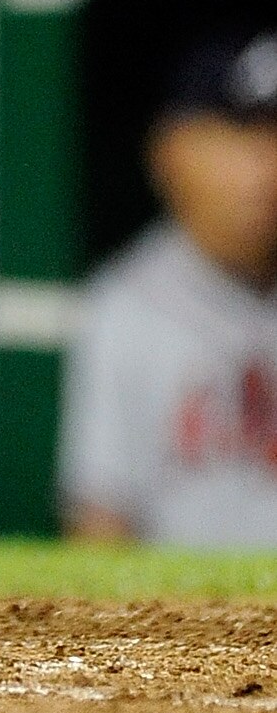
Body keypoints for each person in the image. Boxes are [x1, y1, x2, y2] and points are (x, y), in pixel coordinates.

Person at [63, 31, 277, 547]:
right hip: (188, 621)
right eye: (238, 134)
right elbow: (102, 522)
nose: (261, 169)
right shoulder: (129, 306)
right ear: (171, 151)